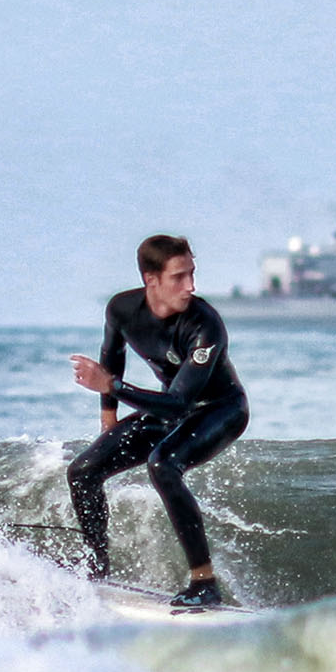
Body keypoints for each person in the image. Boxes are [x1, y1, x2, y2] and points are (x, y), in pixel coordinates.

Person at [67, 235, 248, 608]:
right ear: (151, 280)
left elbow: (179, 404)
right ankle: (96, 566)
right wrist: (108, 416)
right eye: (179, 277)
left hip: (221, 409)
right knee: (83, 471)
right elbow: (112, 355)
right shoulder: (122, 309)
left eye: (192, 274)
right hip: (167, 406)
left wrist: (112, 387)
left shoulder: (205, 325)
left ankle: (204, 583)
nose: (191, 286)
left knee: (163, 464)